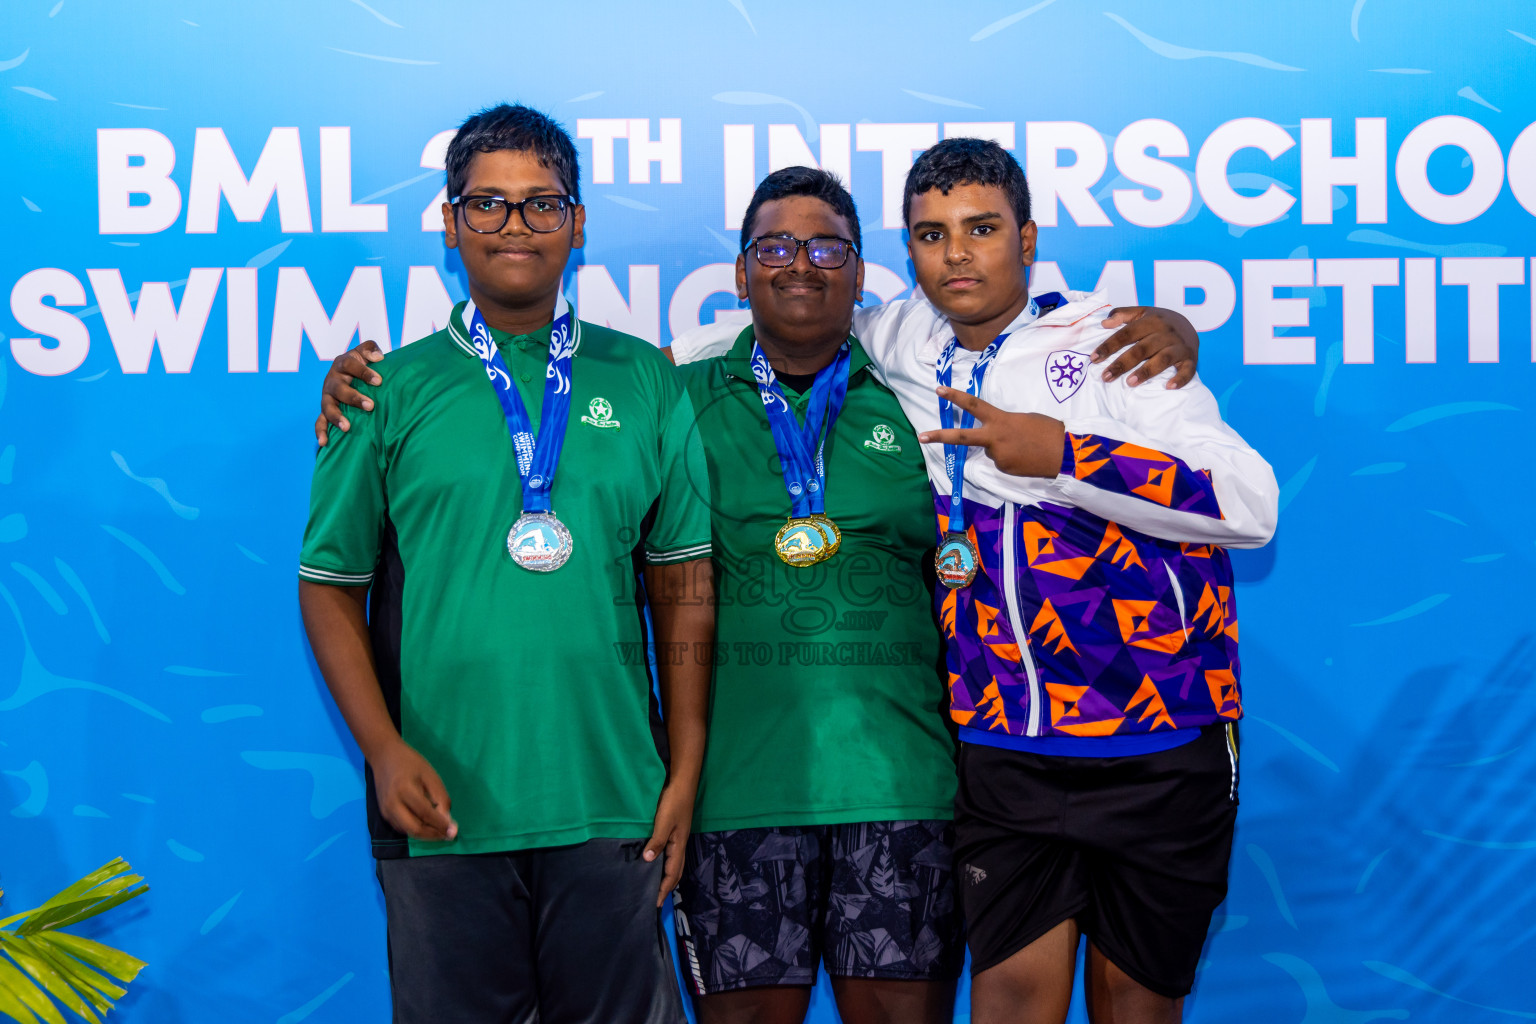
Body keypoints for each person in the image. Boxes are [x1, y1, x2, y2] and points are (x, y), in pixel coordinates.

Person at [317, 168, 1203, 1024]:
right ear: (740, 272)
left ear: (862, 274)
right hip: (731, 802)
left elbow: (1013, 362)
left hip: (903, 793)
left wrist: (1159, 329)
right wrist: (361, 385)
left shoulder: (920, 391)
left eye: (828, 250)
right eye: (774, 248)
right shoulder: (673, 388)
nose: (801, 266)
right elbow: (571, 398)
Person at [673, 138, 1278, 1024]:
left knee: (1137, 1008)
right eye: (931, 234)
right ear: (908, 254)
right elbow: (770, 328)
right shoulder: (897, 339)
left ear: (1027, 240)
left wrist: (1068, 457)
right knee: (1008, 1004)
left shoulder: (1109, 346)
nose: (956, 253)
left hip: (1156, 740)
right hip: (1003, 750)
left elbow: (1250, 505)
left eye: (982, 229)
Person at [297, 103, 713, 1024]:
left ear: (577, 222)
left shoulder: (645, 378)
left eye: (540, 204)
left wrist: (682, 773)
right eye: (486, 205)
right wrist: (382, 749)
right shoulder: (383, 389)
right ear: (449, 223)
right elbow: (329, 589)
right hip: (440, 809)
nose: (514, 226)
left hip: (614, 806)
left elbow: (683, 588)